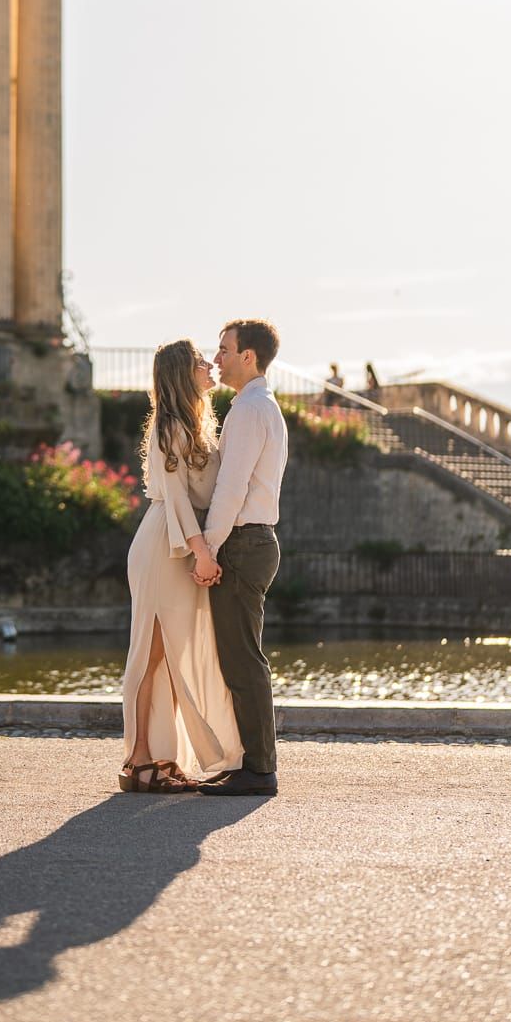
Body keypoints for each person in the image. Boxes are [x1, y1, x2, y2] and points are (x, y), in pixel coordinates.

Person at [119, 340, 245, 794]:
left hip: (183, 545)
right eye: (199, 362)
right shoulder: (169, 427)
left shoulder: (197, 424)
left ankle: (164, 757)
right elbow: (176, 500)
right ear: (180, 372)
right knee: (151, 655)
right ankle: (137, 762)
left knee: (174, 660)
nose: (210, 364)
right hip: (162, 546)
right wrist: (203, 552)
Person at [193, 318, 289, 797]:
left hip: (243, 542)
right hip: (254, 539)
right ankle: (253, 763)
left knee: (243, 659)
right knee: (241, 657)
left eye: (225, 349)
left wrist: (207, 547)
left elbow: (231, 490)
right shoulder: (259, 406)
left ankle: (259, 769)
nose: (217, 358)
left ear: (248, 356)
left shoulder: (250, 410)